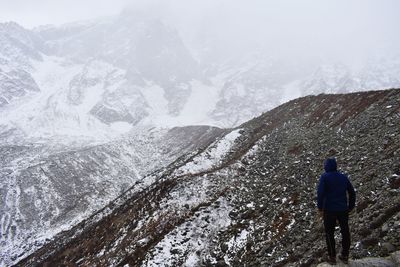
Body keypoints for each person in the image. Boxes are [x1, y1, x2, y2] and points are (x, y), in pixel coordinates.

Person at [317, 157, 356, 265]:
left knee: (329, 233)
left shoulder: (324, 177)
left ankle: (332, 256)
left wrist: (320, 208)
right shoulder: (343, 177)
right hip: (343, 209)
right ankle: (345, 254)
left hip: (329, 210)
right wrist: (350, 207)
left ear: (327, 166)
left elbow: (320, 193)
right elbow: (352, 192)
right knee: (345, 231)